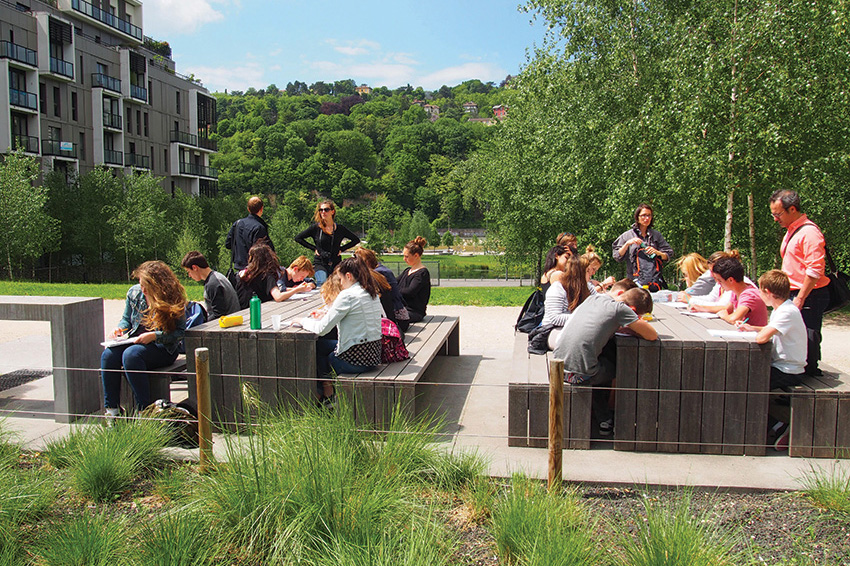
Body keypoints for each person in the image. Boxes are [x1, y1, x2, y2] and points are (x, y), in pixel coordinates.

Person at [553, 285, 657, 436]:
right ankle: (612, 418)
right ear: (633, 310)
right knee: (618, 367)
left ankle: (603, 418)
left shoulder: (594, 298)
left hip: (558, 367)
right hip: (578, 375)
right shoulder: (621, 309)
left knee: (602, 355)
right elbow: (652, 335)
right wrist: (635, 326)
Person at [101, 261, 187, 415]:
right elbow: (126, 319)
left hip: (163, 347)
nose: (143, 290)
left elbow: (180, 332)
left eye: (146, 286)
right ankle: (112, 410)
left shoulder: (172, 297)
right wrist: (119, 328)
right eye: (141, 285)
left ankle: (144, 410)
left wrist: (154, 336)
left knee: (131, 355)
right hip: (137, 340)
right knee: (108, 355)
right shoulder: (134, 293)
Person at [299, 257, 383, 405]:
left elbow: (321, 329)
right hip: (374, 355)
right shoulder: (371, 293)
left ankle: (325, 394)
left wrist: (302, 321)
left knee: (318, 350)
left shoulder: (348, 295)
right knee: (323, 347)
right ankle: (327, 393)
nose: (340, 283)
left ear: (349, 276)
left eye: (340, 278)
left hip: (356, 361)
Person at [770, 189, 829, 376]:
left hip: (808, 294)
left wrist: (801, 298)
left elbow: (814, 270)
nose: (775, 219)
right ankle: (795, 377)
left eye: (778, 214)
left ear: (792, 209)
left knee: (808, 337)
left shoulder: (809, 232)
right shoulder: (792, 230)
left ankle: (808, 379)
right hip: (793, 292)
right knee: (791, 337)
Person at [738, 270, 807, 391]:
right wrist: (752, 328)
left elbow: (761, 338)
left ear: (767, 292)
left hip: (788, 371)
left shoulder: (787, 312)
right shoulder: (782, 308)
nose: (759, 293)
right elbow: (773, 329)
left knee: (748, 381)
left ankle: (757, 409)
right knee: (745, 374)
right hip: (782, 367)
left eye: (760, 290)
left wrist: (759, 332)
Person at [294, 200, 360, 286]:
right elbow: (298, 238)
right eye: (321, 210)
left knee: (338, 284)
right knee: (322, 281)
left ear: (332, 212)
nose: (323, 212)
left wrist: (341, 249)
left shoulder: (340, 229)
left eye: (326, 209)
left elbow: (356, 240)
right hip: (320, 261)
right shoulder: (316, 228)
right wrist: (314, 248)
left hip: (335, 262)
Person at [689, 256, 768, 326]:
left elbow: (734, 319)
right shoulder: (736, 291)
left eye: (720, 281)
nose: (719, 284)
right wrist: (700, 308)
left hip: (751, 340)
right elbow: (727, 309)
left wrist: (724, 316)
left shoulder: (749, 294)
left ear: (731, 280)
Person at [612, 203, 674, 291]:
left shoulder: (656, 235)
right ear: (637, 217)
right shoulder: (627, 235)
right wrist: (627, 244)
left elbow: (668, 255)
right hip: (633, 282)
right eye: (644, 215)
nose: (647, 218)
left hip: (654, 282)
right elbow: (617, 256)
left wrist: (657, 252)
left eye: (649, 215)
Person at [235, 243, 314, 308]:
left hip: (241, 309)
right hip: (258, 311)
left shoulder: (243, 273)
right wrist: (297, 290)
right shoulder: (267, 275)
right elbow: (278, 297)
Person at [354, 246, 410, 332]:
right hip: (396, 315)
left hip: (398, 319)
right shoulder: (380, 268)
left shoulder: (378, 273)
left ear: (367, 262)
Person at [542, 253, 591, 350]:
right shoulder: (557, 288)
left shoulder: (588, 287)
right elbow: (555, 318)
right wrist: (583, 317)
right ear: (580, 273)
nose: (591, 274)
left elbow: (600, 301)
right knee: (576, 343)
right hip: (552, 329)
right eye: (588, 271)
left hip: (576, 328)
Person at [180, 251, 240, 320]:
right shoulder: (216, 277)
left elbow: (219, 315)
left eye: (188, 272)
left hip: (227, 325)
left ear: (194, 268)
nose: (189, 276)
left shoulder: (213, 284)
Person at [225, 196, 274, 271]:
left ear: (248, 209)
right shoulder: (259, 228)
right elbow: (261, 253)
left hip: (239, 269)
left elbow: (228, 244)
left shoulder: (238, 224)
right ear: (261, 209)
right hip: (254, 270)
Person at [397, 236, 431, 323]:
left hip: (414, 312)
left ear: (416, 255)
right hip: (403, 309)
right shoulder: (407, 271)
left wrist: (393, 291)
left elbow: (409, 292)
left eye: (406, 256)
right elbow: (393, 282)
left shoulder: (422, 273)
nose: (404, 259)